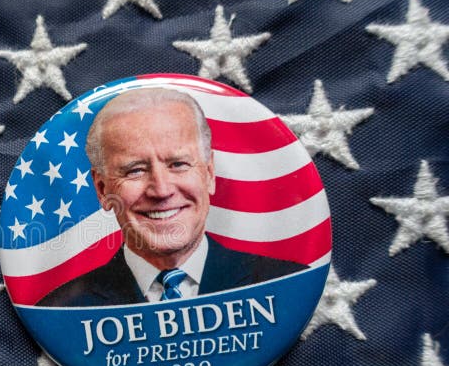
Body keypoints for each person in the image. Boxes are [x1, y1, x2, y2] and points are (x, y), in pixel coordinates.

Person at [37, 88, 305, 307]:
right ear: (103, 189)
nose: (162, 190)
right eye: (135, 170)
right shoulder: (62, 311)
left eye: (178, 164)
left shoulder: (287, 285)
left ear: (209, 174)